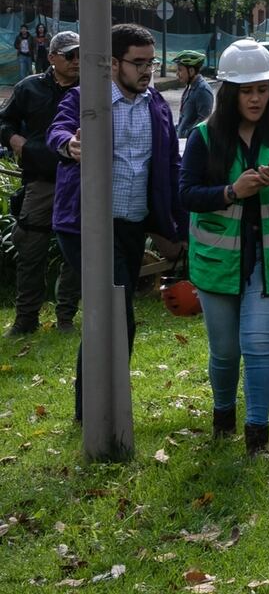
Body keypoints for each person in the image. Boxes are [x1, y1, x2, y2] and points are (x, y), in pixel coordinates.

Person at [180, 39, 269, 454]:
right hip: (218, 262)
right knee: (224, 352)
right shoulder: (204, 137)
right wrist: (230, 191)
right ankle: (223, 416)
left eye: (261, 89)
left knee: (258, 347)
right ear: (229, 93)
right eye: (246, 90)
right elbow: (186, 194)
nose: (256, 98)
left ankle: (257, 434)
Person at [46, 24, 184, 423]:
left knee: (111, 316)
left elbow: (170, 168)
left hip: (131, 226)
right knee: (114, 311)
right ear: (111, 63)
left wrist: (176, 229)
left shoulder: (156, 104)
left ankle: (98, 407)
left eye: (151, 62)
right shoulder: (86, 99)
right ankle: (96, 412)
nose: (147, 71)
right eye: (138, 63)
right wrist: (68, 145)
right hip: (85, 226)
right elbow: (58, 130)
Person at [0, 31, 82, 336]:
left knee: (77, 253)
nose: (76, 61)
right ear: (51, 57)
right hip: (41, 183)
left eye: (80, 55)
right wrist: (15, 139)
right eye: (70, 55)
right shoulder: (29, 87)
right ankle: (25, 319)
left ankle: (66, 318)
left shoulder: (93, 90)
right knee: (30, 249)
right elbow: (3, 121)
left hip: (78, 183)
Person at [173, 50, 214, 139]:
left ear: (191, 71)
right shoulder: (189, 88)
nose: (177, 74)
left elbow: (203, 122)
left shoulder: (203, 90)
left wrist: (187, 134)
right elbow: (184, 120)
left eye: (180, 70)